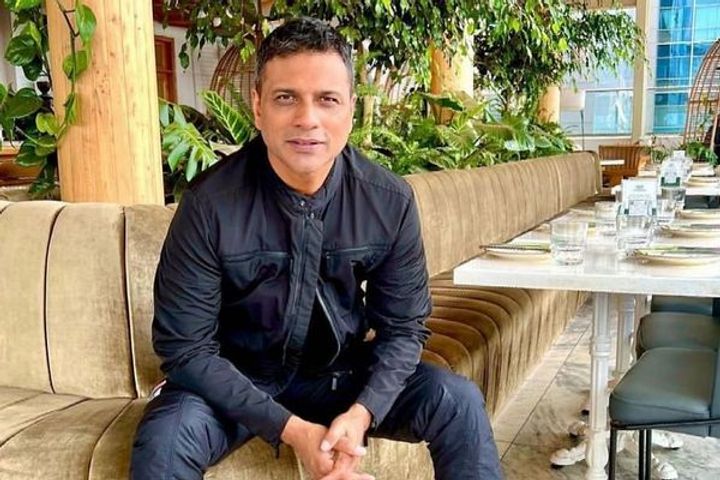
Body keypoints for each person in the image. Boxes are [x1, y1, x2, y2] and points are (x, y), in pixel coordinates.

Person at [131, 17, 501, 480]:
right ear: (258, 107)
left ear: (350, 109)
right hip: (236, 380)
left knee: (457, 400)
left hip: (339, 377)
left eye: (327, 99)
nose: (307, 119)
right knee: (166, 441)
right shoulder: (210, 205)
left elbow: (403, 329)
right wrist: (293, 430)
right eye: (286, 98)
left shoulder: (388, 201)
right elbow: (185, 348)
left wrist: (363, 412)